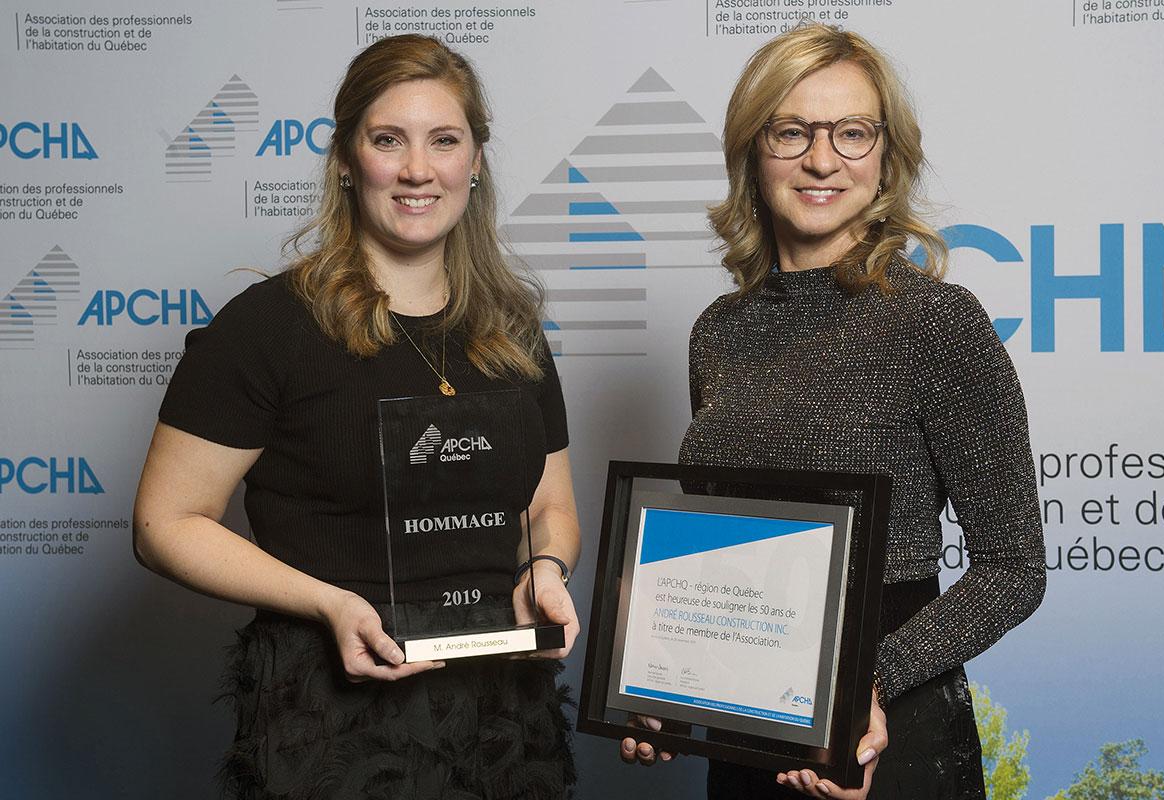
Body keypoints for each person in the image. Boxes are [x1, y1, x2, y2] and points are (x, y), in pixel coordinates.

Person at [133, 35, 580, 799]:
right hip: (331, 716)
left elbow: (551, 506)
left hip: (504, 716)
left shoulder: (513, 331)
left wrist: (546, 570)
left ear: (475, 162)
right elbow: (163, 522)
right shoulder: (269, 326)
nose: (417, 169)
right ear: (346, 159)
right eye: (387, 140)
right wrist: (331, 603)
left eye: (445, 141)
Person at [622, 24, 1045, 800]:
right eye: (793, 131)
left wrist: (866, 683)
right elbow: (717, 554)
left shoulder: (938, 323)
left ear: (886, 156)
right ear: (754, 151)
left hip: (888, 730)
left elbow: (1013, 571)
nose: (823, 160)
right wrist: (658, 687)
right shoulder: (719, 331)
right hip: (748, 732)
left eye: (852, 133)